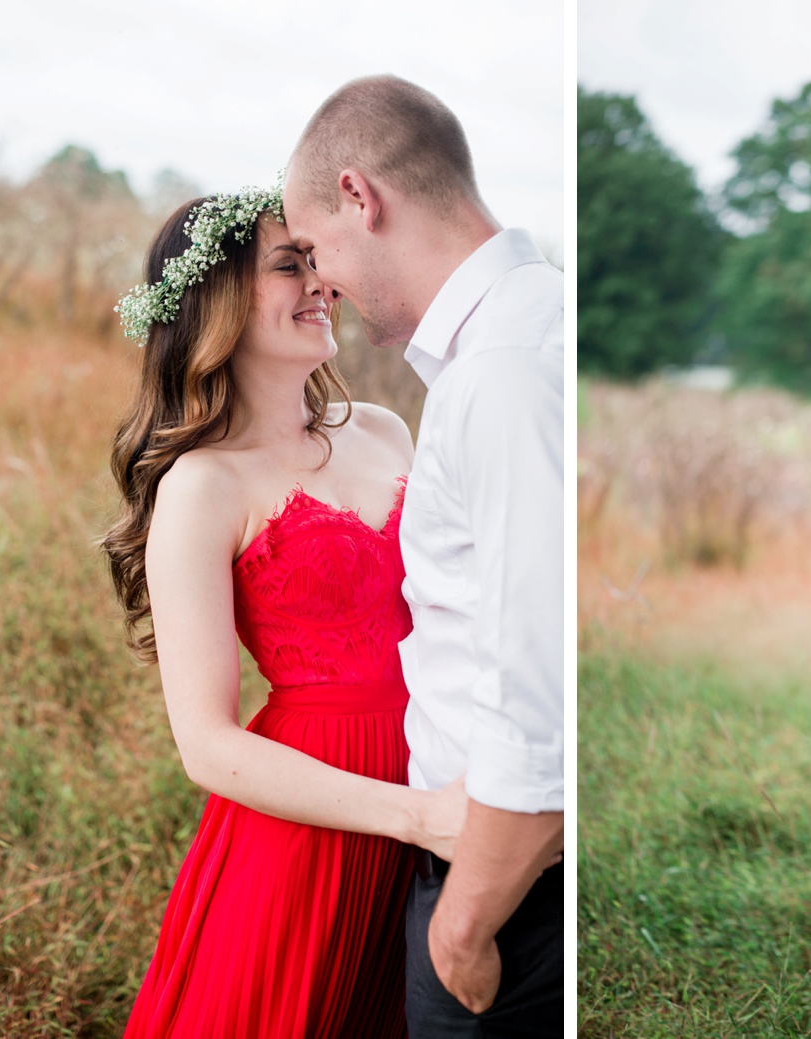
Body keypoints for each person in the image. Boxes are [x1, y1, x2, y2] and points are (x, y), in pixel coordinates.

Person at [102, 187, 466, 1038]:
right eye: (289, 264)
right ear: (213, 300)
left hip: (437, 762)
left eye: (319, 259)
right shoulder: (203, 485)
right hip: (311, 828)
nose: (321, 282)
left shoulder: (383, 431)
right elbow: (207, 746)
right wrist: (414, 814)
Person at [281, 75, 564, 1038]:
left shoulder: (503, 372)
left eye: (315, 249)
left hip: (506, 893)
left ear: (363, 197)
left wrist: (465, 923)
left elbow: (539, 676)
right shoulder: (518, 333)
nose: (320, 283)